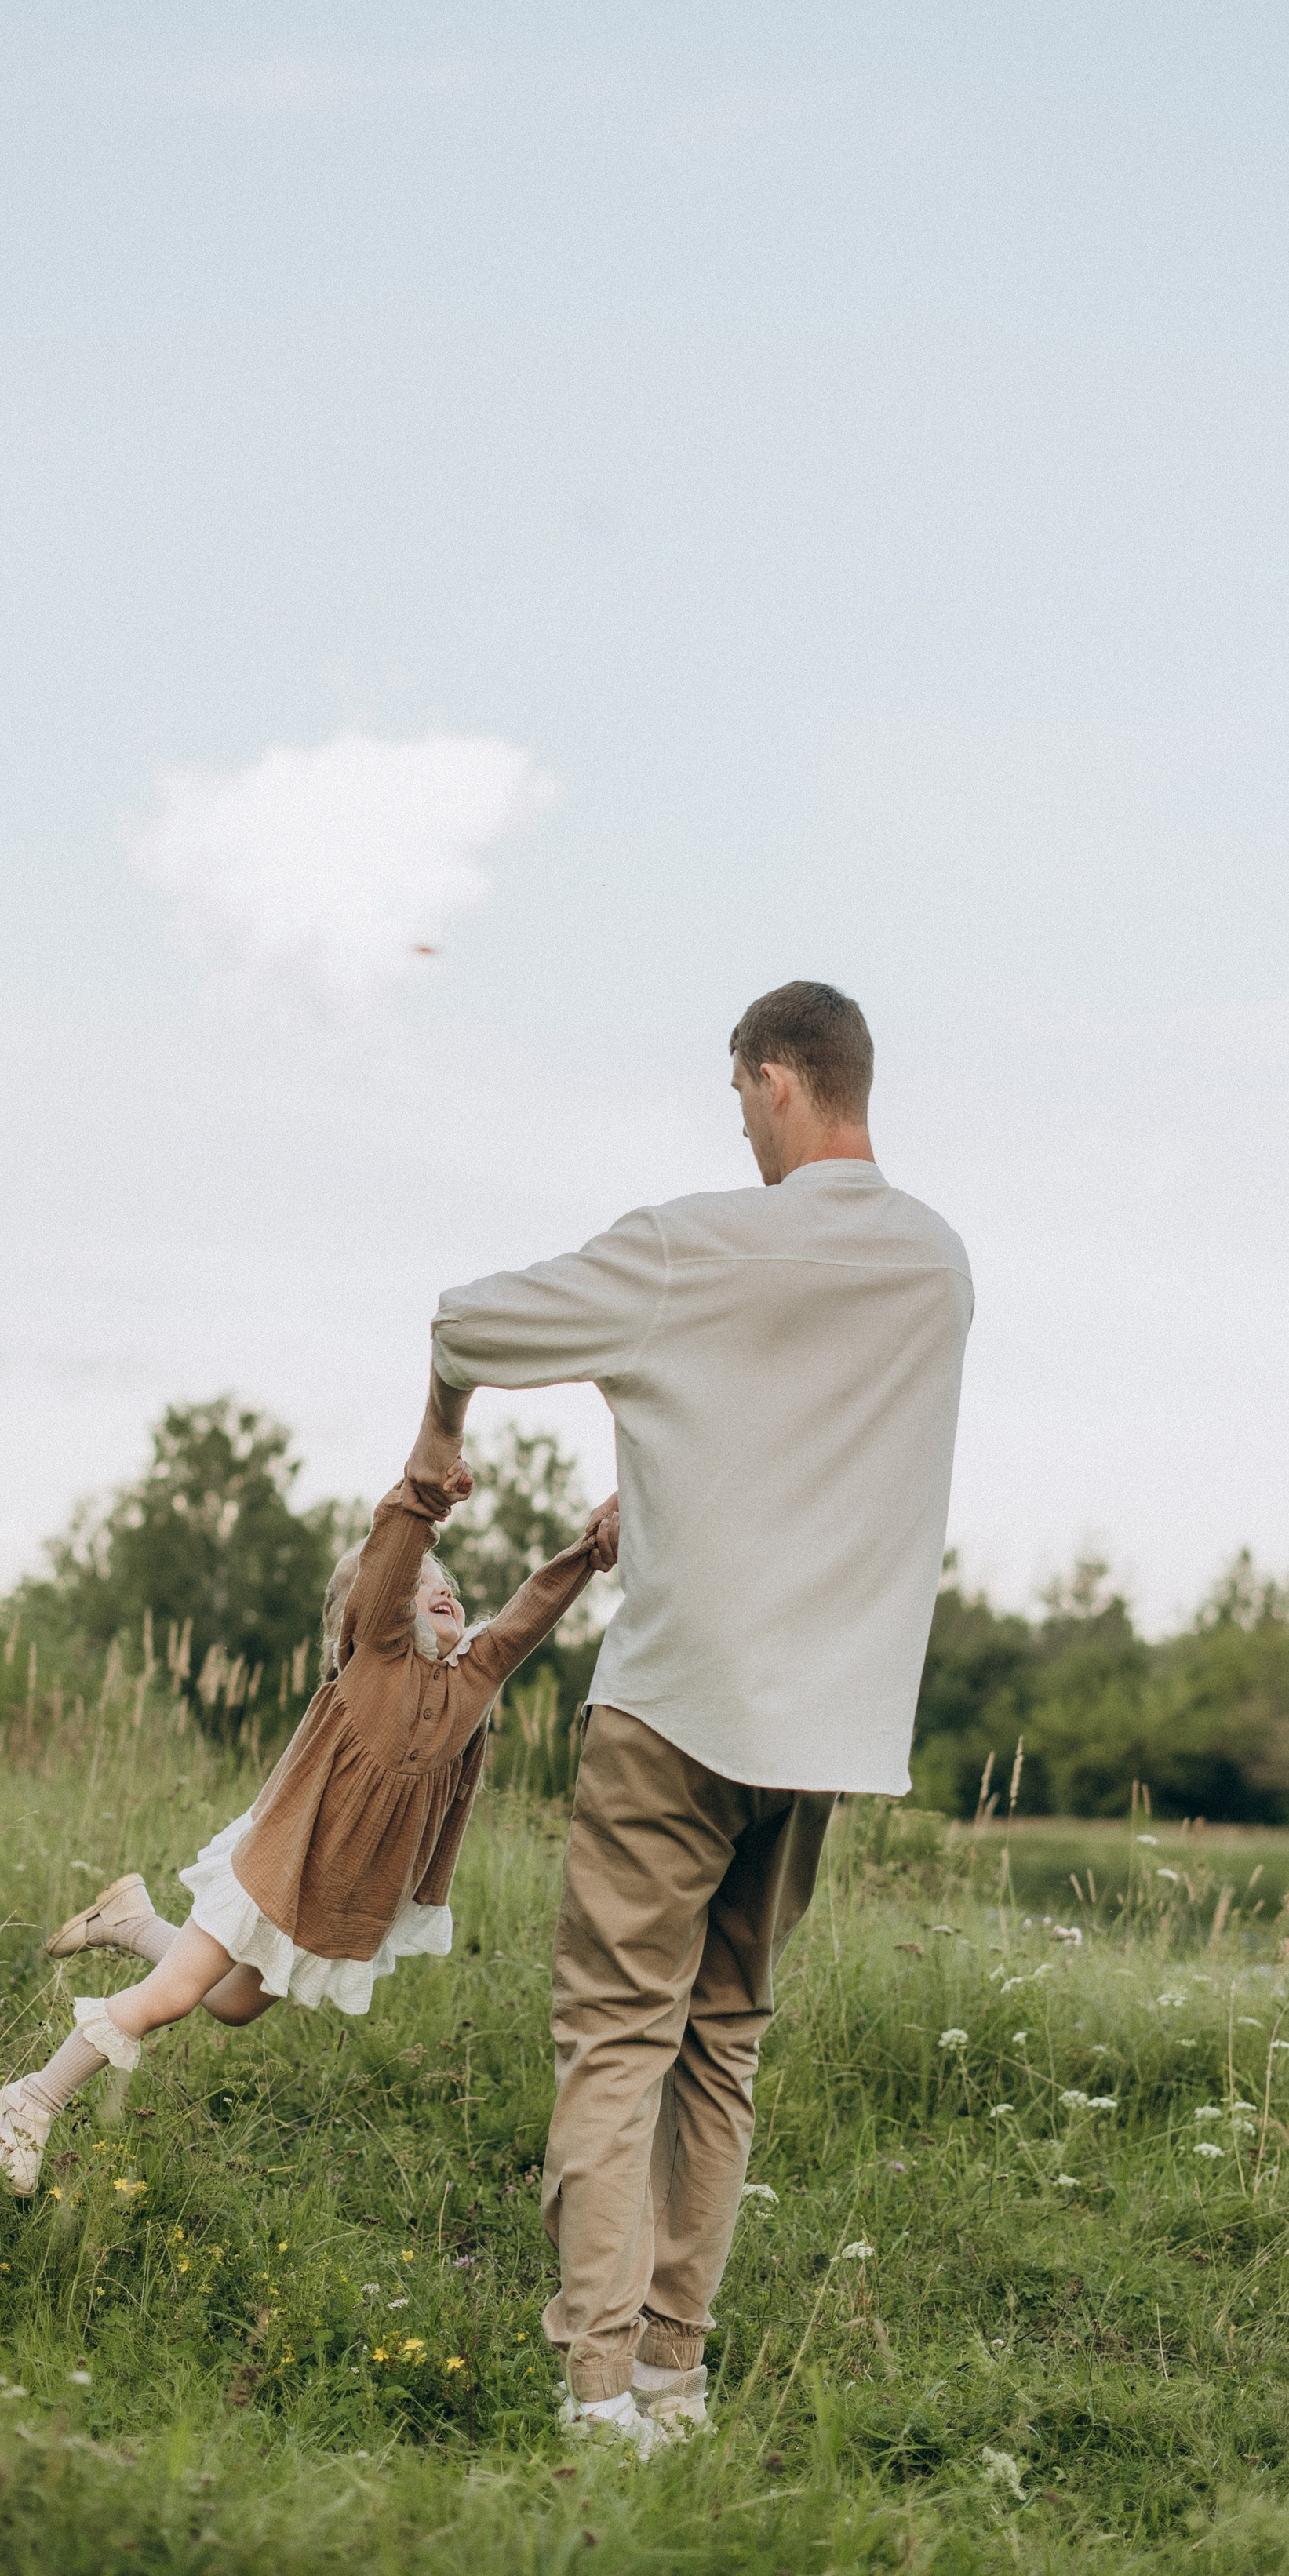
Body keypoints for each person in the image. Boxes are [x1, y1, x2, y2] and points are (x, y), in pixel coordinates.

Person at [424, 980, 971, 2454]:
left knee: (615, 2039)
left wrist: (445, 1425)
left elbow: (470, 1321)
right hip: (828, 1728)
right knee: (722, 2041)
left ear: (775, 1079)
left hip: (679, 1707)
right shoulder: (935, 1264)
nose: (740, 1128)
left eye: (741, 1099)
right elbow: (801, 1442)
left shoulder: (692, 1244)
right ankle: (675, 2374)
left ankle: (598, 2391)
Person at [0, 1453, 617, 2195]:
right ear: (376, 1612)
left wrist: (590, 1550)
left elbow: (529, 1610)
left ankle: (131, 1922)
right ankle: (31, 2102)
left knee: (231, 2003)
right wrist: (422, 1507)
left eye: (447, 1586)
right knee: (173, 1996)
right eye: (421, 1585)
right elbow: (389, 1565)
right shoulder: (375, 1660)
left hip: (328, 1895)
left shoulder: (474, 1682)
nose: (439, 1590)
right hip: (274, 1865)